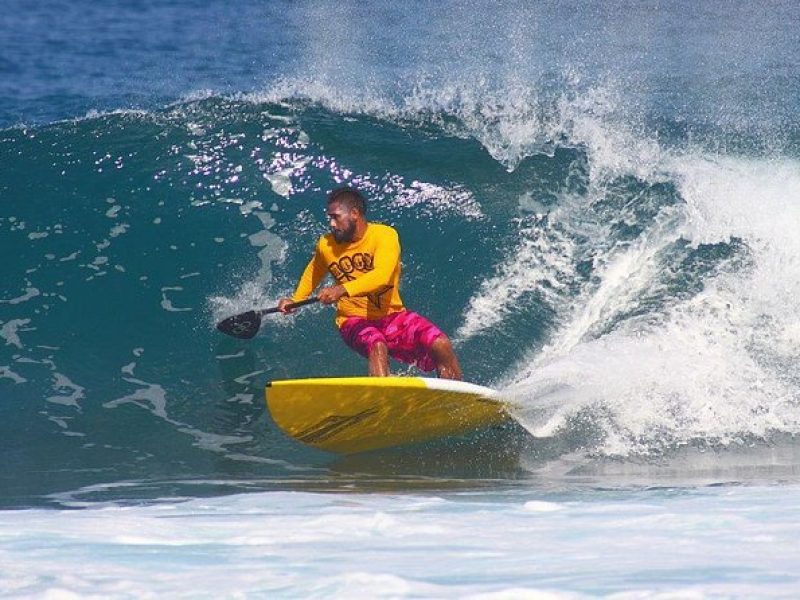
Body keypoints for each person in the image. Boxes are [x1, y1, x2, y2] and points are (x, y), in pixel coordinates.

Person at [278, 187, 463, 380]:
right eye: (330, 218)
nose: (332, 224)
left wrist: (341, 289)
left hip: (392, 316)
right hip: (352, 320)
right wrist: (295, 300)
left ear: (355, 214)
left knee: (440, 344)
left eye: (336, 217)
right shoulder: (326, 244)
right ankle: (382, 401)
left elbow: (382, 275)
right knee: (377, 344)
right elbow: (313, 272)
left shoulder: (384, 236)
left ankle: (454, 398)